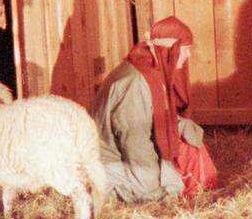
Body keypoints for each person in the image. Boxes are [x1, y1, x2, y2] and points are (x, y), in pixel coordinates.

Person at [93, 16, 218, 203]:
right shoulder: (135, 83)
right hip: (115, 162)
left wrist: (191, 137)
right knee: (167, 191)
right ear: (170, 51)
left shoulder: (151, 69)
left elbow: (159, 118)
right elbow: (134, 142)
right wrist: (153, 191)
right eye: (185, 50)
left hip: (136, 152)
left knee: (191, 147)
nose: (188, 56)